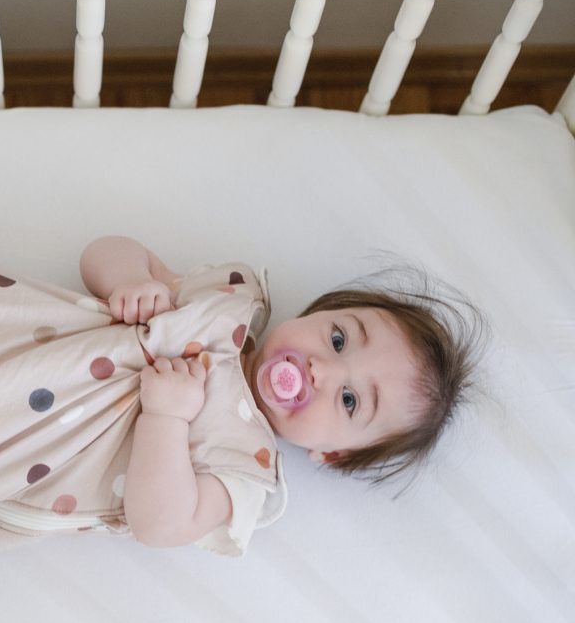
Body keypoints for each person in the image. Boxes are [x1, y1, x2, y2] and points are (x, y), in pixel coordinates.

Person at [78, 235, 487, 549]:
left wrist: (166, 419)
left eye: (349, 400)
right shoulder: (228, 301)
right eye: (339, 340)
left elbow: (161, 525)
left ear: (332, 454)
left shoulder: (243, 463)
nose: (321, 369)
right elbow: (103, 251)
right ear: (320, 312)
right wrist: (132, 281)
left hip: (46, 455)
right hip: (33, 335)